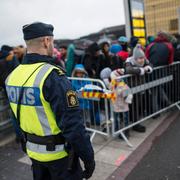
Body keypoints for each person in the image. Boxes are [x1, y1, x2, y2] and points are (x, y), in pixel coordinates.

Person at [5, 22, 95, 180]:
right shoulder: (52, 76)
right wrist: (88, 159)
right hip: (60, 158)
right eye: (52, 41)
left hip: (34, 153)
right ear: (46, 41)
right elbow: (73, 126)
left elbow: (16, 118)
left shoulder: (12, 76)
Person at [125, 44, 153, 133]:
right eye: (140, 59)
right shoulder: (129, 61)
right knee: (133, 107)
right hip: (131, 88)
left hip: (140, 87)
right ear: (135, 58)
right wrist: (141, 70)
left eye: (143, 58)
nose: (142, 60)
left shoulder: (144, 60)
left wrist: (148, 68)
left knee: (137, 106)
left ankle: (134, 122)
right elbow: (128, 70)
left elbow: (151, 64)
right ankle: (134, 125)